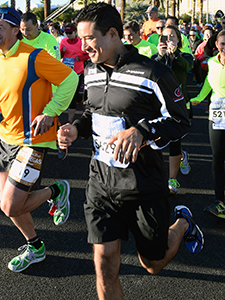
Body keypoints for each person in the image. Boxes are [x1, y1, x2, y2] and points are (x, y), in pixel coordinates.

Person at [57, 3, 204, 299]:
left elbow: (180, 121)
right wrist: (76, 129)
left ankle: (184, 222)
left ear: (113, 34)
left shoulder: (153, 73)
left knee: (152, 263)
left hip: (143, 184)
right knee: (104, 265)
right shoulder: (92, 73)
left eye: (89, 39)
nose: (83, 47)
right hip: (101, 184)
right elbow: (91, 113)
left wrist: (142, 131)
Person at [0, 7, 78, 272]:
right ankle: (35, 246)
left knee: (9, 205)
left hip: (33, 140)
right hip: (4, 138)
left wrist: (51, 112)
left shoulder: (34, 56)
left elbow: (70, 79)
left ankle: (57, 190)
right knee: (9, 202)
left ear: (15, 31)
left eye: (0, 26)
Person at [152, 25, 193, 194]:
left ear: (179, 40)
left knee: (175, 142)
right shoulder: (156, 57)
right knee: (158, 142)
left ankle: (172, 180)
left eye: (172, 37)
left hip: (180, 106)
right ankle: (181, 158)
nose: (169, 40)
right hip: (160, 106)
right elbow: (152, 73)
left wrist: (174, 54)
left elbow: (186, 68)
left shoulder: (185, 56)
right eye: (165, 37)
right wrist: (161, 56)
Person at [191, 30, 225, 219]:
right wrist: (196, 100)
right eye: (222, 43)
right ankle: (220, 202)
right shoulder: (212, 62)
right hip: (217, 115)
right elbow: (207, 85)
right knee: (218, 159)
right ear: (217, 45)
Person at [60, 23, 89, 123]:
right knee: (76, 96)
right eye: (66, 33)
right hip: (66, 72)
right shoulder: (63, 42)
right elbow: (59, 55)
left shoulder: (81, 42)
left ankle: (69, 121)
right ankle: (83, 104)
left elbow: (88, 54)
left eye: (70, 33)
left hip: (78, 73)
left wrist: (80, 58)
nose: (68, 35)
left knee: (72, 96)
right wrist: (62, 52)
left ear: (75, 32)